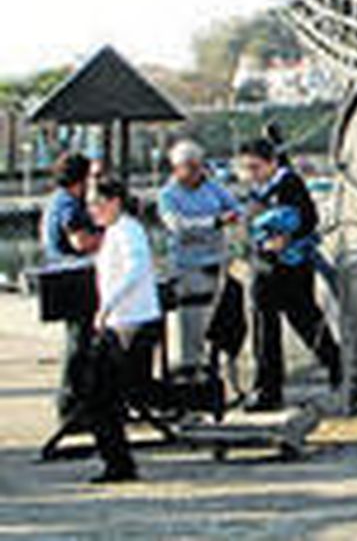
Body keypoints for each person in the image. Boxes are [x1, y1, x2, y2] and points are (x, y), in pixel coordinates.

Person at [239, 137, 340, 412]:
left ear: (272, 163)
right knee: (264, 329)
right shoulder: (257, 190)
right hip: (264, 267)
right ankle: (268, 389)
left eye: (256, 168)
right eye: (247, 169)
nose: (251, 174)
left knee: (306, 319)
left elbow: (309, 218)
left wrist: (288, 236)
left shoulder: (289, 184)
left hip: (290, 267)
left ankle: (338, 369)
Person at [84, 176, 161, 484]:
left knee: (106, 394)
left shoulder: (127, 230)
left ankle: (118, 462)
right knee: (103, 393)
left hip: (131, 321)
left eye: (96, 204)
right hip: (121, 321)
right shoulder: (116, 231)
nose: (92, 211)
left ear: (114, 202)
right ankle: (116, 460)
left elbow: (136, 267)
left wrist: (108, 304)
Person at [157, 139, 241, 372]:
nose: (197, 171)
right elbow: (177, 226)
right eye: (190, 167)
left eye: (198, 166)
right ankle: (192, 365)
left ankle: (220, 366)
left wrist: (225, 219)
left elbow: (236, 209)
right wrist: (213, 222)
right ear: (177, 168)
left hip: (217, 260)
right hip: (188, 265)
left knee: (221, 319)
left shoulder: (213, 187)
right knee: (192, 320)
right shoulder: (168, 194)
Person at [38, 151, 101, 424]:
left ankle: (76, 401)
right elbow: (80, 241)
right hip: (73, 280)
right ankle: (73, 404)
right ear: (81, 179)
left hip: (62, 278)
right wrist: (108, 236)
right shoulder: (69, 204)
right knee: (79, 343)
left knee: (79, 342)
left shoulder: (57, 200)